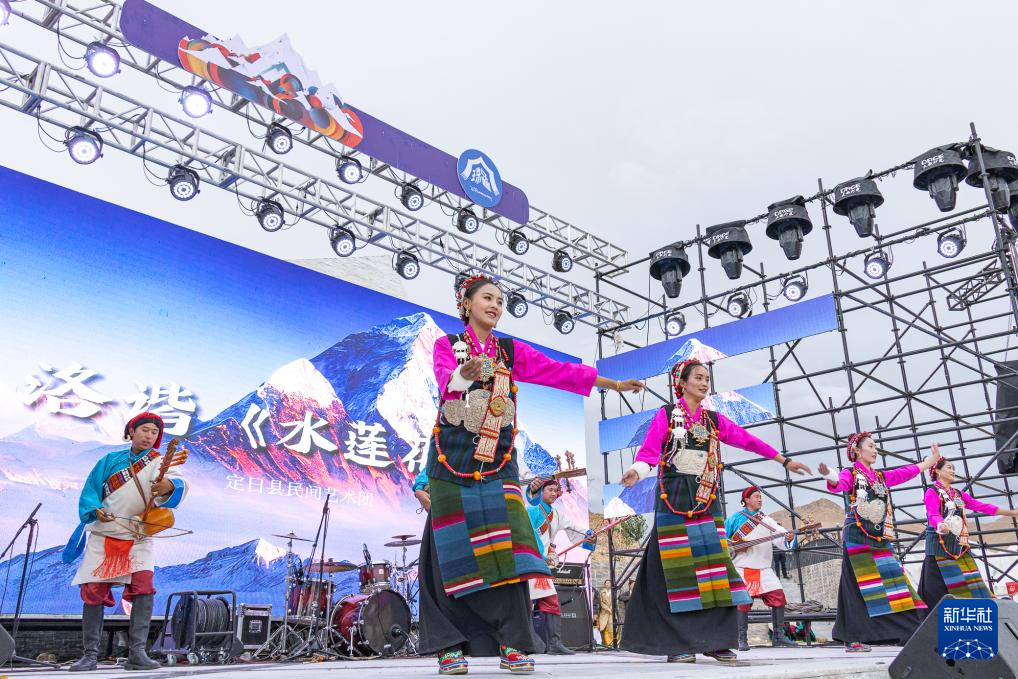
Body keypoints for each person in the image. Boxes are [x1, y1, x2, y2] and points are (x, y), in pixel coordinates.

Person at [416, 273, 643, 675]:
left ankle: (513, 642)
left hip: (497, 460)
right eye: (488, 298)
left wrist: (612, 384)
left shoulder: (508, 351)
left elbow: (558, 371)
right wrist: (464, 374)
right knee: (448, 548)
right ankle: (449, 645)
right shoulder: (446, 345)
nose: (495, 306)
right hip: (452, 459)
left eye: (500, 301)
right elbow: (445, 381)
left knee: (513, 549)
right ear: (466, 304)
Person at [619, 359, 811, 665]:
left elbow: (747, 440)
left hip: (705, 498)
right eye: (698, 377)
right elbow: (650, 452)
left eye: (707, 378)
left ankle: (715, 640)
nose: (704, 383)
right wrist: (636, 471)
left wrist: (783, 461)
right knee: (677, 570)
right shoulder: (667, 415)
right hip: (674, 498)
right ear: (682, 382)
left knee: (715, 568)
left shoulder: (713, 420)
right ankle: (676, 642)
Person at [62, 412, 187, 672]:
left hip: (138, 536)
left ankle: (137, 654)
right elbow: (91, 490)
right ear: (131, 431)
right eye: (144, 430)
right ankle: (90, 656)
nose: (149, 435)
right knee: (94, 592)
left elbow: (179, 482)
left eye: (154, 432)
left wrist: (168, 486)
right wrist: (95, 509)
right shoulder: (109, 460)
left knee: (143, 589)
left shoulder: (160, 462)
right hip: (104, 533)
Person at [819, 433, 939, 652]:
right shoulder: (851, 473)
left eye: (876, 447)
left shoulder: (880, 477)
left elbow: (904, 473)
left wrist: (929, 462)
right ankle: (852, 637)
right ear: (857, 451)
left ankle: (911, 630)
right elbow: (840, 484)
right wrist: (830, 476)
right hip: (857, 534)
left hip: (878, 536)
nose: (875, 450)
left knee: (895, 581)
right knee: (856, 586)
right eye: (871, 446)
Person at [918, 457, 1018, 606]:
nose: (953, 471)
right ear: (938, 471)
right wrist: (940, 524)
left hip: (958, 544)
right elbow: (932, 514)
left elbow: (981, 506)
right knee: (938, 584)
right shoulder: (932, 492)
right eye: (949, 468)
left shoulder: (958, 494)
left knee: (972, 578)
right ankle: (936, 612)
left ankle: (981, 606)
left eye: (953, 468)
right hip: (939, 544)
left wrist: (1010, 513)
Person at [725, 486, 797, 651]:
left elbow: (781, 536)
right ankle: (741, 639)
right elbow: (722, 539)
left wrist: (788, 537)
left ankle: (778, 636)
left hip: (764, 569)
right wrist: (733, 546)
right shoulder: (734, 519)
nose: (760, 499)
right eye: (756, 496)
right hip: (742, 568)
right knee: (742, 602)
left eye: (760, 497)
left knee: (778, 596)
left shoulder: (766, 520)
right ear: (746, 500)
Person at [525, 477, 588, 655]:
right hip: (531, 562)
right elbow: (529, 534)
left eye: (555, 490)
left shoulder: (557, 514)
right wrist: (541, 554)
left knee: (551, 601)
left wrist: (588, 533)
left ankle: (554, 643)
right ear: (541, 492)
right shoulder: (531, 510)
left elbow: (573, 526)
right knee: (526, 603)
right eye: (550, 490)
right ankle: (526, 642)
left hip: (542, 564)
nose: (554, 493)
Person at [594, 579, 615, 648]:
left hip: (611, 612)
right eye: (606, 583)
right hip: (604, 612)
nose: (607, 584)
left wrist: (611, 608)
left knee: (611, 628)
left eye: (609, 583)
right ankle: (604, 643)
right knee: (602, 627)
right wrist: (607, 608)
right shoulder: (602, 592)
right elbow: (601, 603)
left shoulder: (613, 592)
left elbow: (614, 601)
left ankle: (612, 643)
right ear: (604, 584)